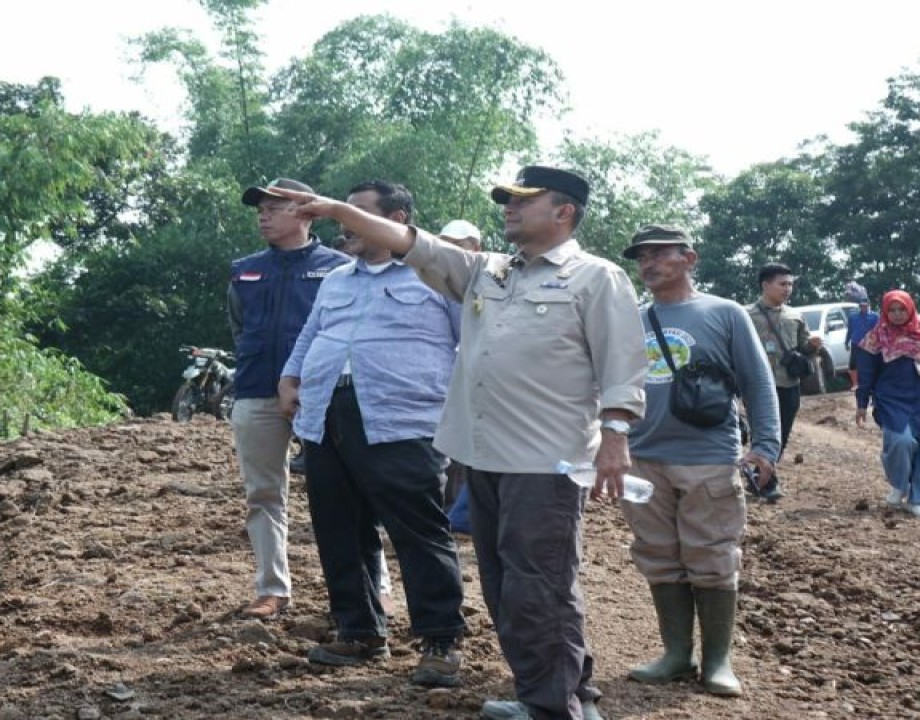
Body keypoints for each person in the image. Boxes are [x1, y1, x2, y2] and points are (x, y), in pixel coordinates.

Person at [273, 164, 648, 720]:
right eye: (507, 200)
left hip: (546, 460)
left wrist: (615, 437)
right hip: (482, 453)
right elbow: (410, 242)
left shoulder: (595, 278)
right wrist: (337, 210)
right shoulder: (488, 272)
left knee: (540, 585)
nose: (509, 208)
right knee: (503, 585)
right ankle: (553, 693)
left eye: (524, 200)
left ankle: (555, 705)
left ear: (564, 212)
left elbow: (622, 364)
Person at [279, 180, 466, 687]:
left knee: (419, 531)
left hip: (403, 420)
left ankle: (442, 640)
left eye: (357, 213)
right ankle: (360, 631)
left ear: (397, 218)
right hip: (325, 416)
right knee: (339, 528)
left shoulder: (436, 275)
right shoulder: (337, 280)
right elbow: (312, 334)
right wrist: (290, 377)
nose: (345, 223)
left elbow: (470, 343)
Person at [618, 225, 782, 698]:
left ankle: (717, 661)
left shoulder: (724, 313)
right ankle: (674, 655)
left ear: (689, 258)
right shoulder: (630, 316)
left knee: (712, 556)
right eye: (641, 257)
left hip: (709, 457)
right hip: (642, 456)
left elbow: (757, 381)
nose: (648, 264)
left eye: (659, 254)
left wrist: (766, 446)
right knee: (658, 555)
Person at [229, 178, 349, 620]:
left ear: (307, 212)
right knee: (263, 492)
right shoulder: (244, 270)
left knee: (348, 493)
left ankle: (374, 586)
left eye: (274, 207)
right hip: (256, 390)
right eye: (260, 208)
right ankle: (271, 588)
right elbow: (239, 328)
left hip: (321, 394)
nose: (263, 215)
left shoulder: (340, 269)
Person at [854, 290, 920, 518]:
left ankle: (918, 500)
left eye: (902, 309)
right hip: (893, 400)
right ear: (885, 311)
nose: (897, 314)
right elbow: (866, 374)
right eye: (892, 310)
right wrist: (862, 403)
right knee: (901, 442)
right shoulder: (875, 339)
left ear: (910, 308)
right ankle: (899, 485)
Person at [745, 263, 823, 502]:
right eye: (782, 284)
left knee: (783, 434)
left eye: (790, 284)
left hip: (788, 383)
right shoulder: (745, 315)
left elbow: (804, 348)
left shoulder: (795, 316)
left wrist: (812, 347)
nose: (787, 289)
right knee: (762, 431)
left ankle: (761, 474)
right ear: (765, 285)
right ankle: (768, 483)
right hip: (757, 384)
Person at [435, 218, 483, 528]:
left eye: (458, 245)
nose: (450, 251)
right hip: (443, 382)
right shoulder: (433, 278)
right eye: (446, 244)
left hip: (475, 379)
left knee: (470, 452)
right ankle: (451, 511)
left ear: (475, 248)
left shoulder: (485, 281)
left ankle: (463, 515)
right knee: (447, 448)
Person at [845, 294, 879, 390]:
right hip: (856, 342)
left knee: (871, 363)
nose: (863, 307)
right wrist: (846, 341)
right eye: (861, 306)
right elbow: (850, 330)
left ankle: (873, 382)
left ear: (868, 305)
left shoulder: (875, 316)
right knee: (853, 364)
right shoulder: (853, 317)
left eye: (865, 306)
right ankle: (855, 384)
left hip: (869, 343)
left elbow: (878, 330)